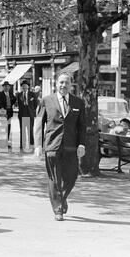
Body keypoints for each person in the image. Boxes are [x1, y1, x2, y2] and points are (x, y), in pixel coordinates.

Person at [34, 73, 86, 221]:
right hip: (52, 145)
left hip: (71, 146)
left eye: (67, 83)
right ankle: (58, 209)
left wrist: (82, 144)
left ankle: (61, 198)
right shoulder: (46, 101)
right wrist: (38, 145)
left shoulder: (78, 103)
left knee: (71, 177)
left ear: (71, 85)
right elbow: (38, 124)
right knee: (54, 178)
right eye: (61, 82)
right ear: (56, 84)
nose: (63, 85)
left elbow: (82, 126)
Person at [17, 80, 38, 151]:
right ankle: (22, 144)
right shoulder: (19, 95)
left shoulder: (32, 94)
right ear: (22, 87)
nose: (24, 87)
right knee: (22, 130)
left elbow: (35, 104)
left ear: (28, 86)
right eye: (23, 86)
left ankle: (31, 144)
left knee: (30, 130)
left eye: (26, 85)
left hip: (30, 114)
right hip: (22, 114)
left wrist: (32, 111)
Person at [0, 81, 16, 145]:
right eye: (5, 86)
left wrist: (10, 105)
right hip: (2, 112)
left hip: (9, 112)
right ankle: (1, 141)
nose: (6, 87)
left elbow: (14, 100)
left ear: (9, 87)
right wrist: (1, 108)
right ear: (3, 87)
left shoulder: (10, 94)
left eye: (8, 86)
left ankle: (6, 141)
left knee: (8, 126)